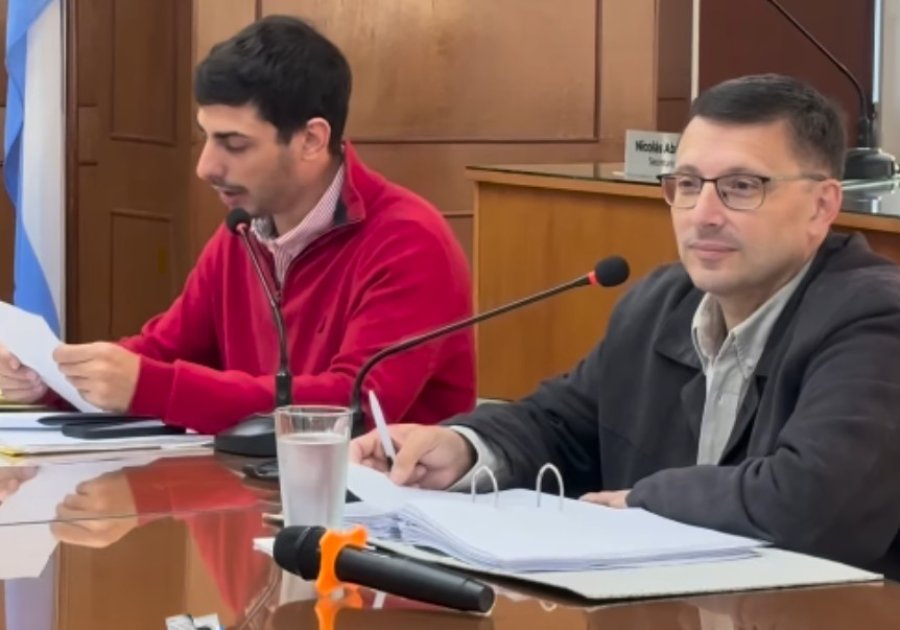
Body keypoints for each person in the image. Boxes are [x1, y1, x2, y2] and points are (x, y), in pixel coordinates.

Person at [351, 74, 900, 575]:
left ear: (821, 206)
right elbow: (559, 424)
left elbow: (814, 503)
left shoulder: (874, 319)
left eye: (740, 186)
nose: (703, 213)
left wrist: (643, 502)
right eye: (686, 184)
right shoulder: (661, 304)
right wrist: (463, 446)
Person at [0, 16, 475, 433]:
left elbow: (355, 405)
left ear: (311, 139)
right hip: (250, 499)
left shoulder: (409, 240)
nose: (205, 166)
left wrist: (152, 387)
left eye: (234, 143)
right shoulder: (243, 232)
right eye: (206, 137)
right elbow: (162, 351)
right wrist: (52, 380)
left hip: (378, 518)